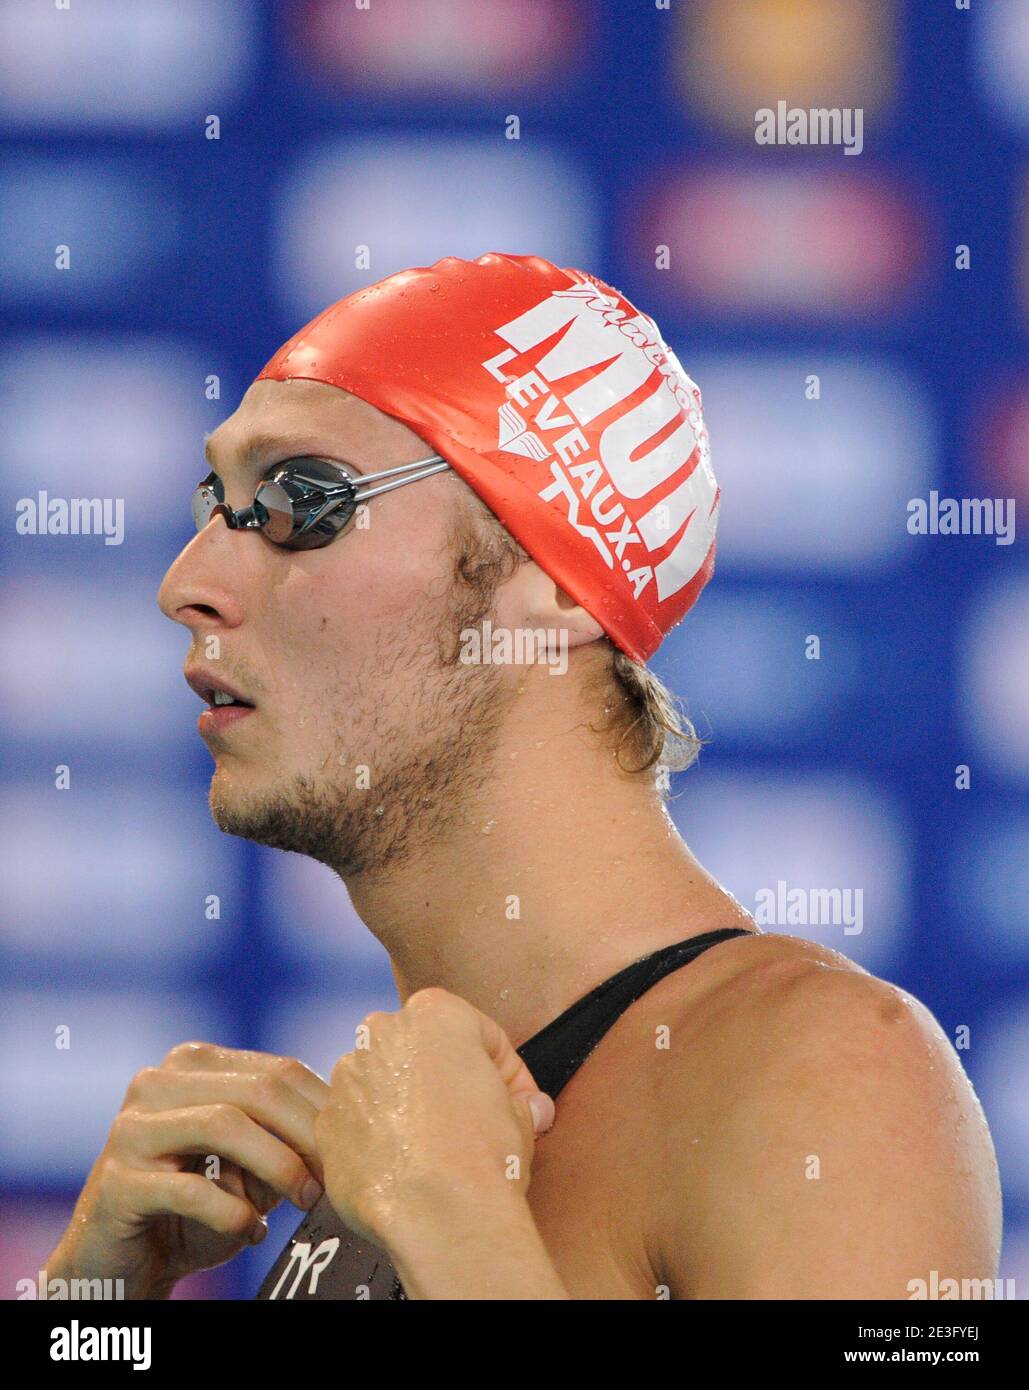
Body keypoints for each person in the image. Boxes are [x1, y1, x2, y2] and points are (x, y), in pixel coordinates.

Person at [45, 254, 1000, 1299]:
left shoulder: (830, 1071)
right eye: (212, 502)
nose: (188, 582)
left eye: (296, 500)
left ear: (554, 580)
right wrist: (91, 1306)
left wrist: (459, 1234)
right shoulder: (401, 1140)